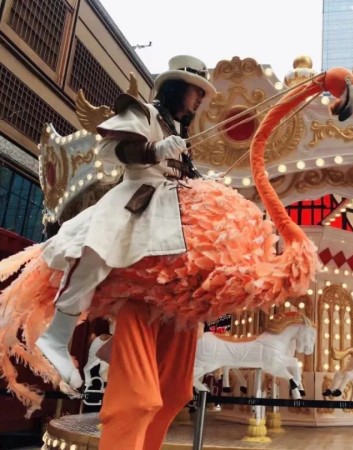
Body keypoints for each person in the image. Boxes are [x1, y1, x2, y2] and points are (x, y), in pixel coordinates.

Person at [34, 55, 217, 446]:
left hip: (171, 211)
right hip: (137, 198)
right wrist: (154, 150)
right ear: (177, 88)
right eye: (196, 91)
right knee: (98, 249)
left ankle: (124, 349)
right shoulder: (144, 113)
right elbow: (112, 150)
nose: (200, 100)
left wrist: (204, 180)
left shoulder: (177, 130)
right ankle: (58, 334)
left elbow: (182, 171)